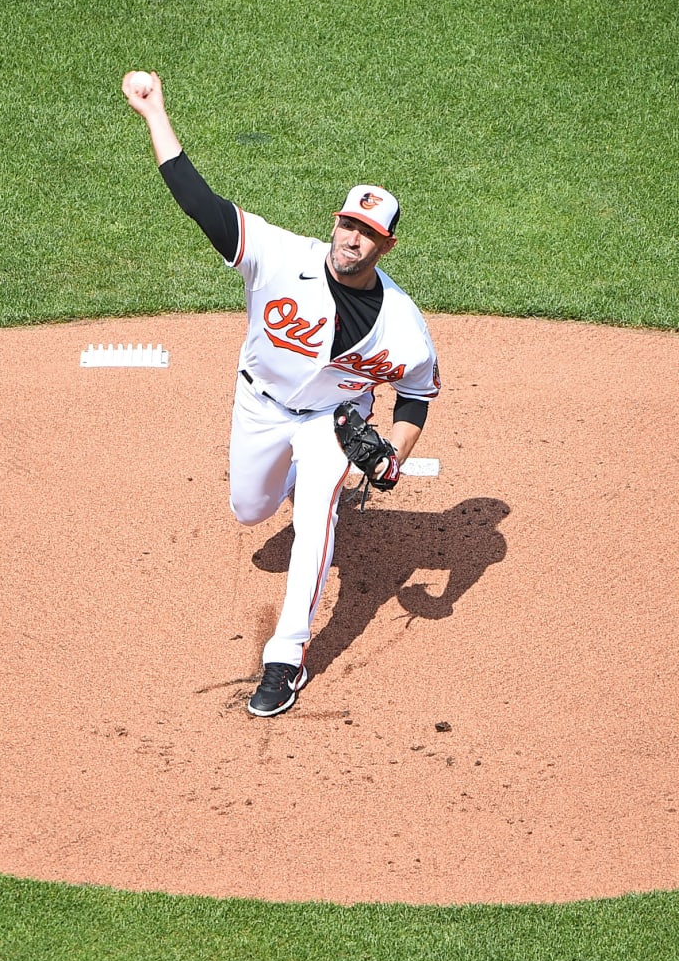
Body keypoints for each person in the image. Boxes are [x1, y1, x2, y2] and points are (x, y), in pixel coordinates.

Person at [122, 70, 441, 717]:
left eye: (368, 233)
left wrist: (391, 456)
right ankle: (292, 480)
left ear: (386, 245)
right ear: (336, 222)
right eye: (348, 224)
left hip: (333, 421)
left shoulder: (404, 325)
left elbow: (416, 394)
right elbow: (198, 201)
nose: (352, 238)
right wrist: (155, 113)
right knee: (249, 510)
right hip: (260, 406)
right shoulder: (276, 254)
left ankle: (286, 657)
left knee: (316, 516)